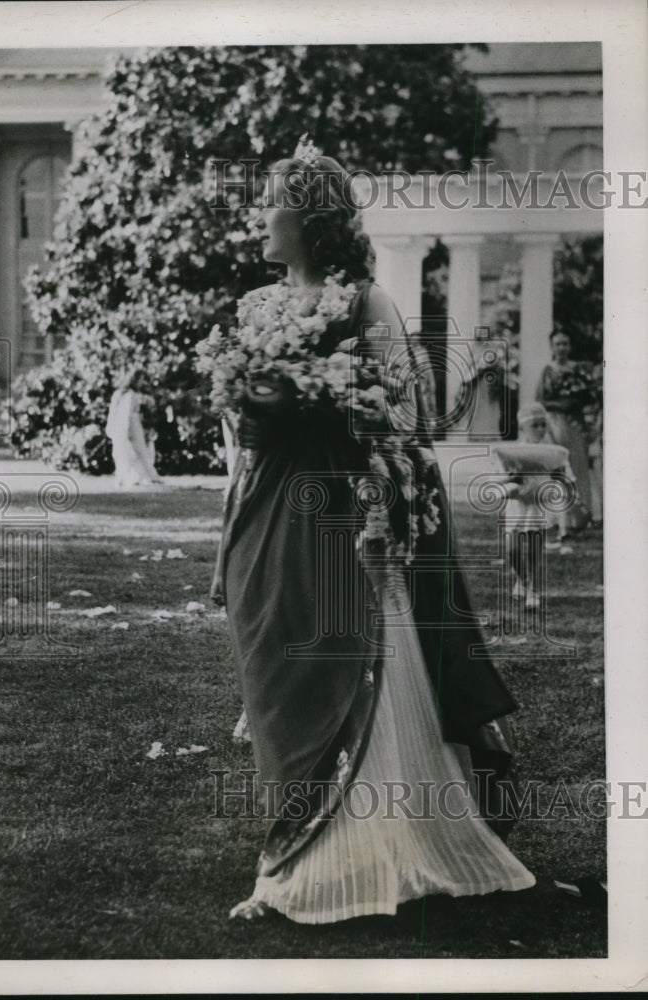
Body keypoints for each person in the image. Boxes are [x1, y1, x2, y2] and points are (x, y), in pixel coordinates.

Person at [211, 138, 535, 924]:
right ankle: (290, 844)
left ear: (310, 220)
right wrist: (248, 408)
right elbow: (237, 435)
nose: (262, 218)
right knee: (275, 673)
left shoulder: (367, 304)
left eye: (274, 205)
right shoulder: (254, 308)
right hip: (267, 512)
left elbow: (405, 417)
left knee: (333, 665)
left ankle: (341, 859)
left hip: (344, 513)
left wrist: (329, 402)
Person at [492, 402, 576, 616]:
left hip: (538, 505)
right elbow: (497, 480)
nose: (540, 429)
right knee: (512, 549)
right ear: (522, 428)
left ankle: (533, 590)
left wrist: (560, 480)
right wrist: (511, 478)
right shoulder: (510, 451)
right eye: (535, 426)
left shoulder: (553, 453)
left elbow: (566, 478)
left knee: (534, 549)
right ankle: (521, 579)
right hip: (516, 504)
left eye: (543, 425)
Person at [535, 330, 592, 531]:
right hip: (554, 422)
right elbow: (540, 400)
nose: (562, 348)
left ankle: (580, 517)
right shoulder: (547, 371)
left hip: (574, 422)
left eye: (565, 343)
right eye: (558, 344)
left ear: (570, 346)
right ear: (552, 347)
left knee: (577, 466)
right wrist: (561, 405)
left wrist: (575, 403)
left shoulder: (578, 370)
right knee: (556, 469)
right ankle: (556, 518)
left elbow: (588, 397)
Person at [105, 371, 163, 487]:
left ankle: (137, 476)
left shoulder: (122, 394)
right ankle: (135, 476)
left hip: (124, 424)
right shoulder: (129, 395)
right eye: (140, 380)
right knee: (132, 451)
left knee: (127, 451)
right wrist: (127, 429)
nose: (142, 383)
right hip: (129, 424)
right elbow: (125, 413)